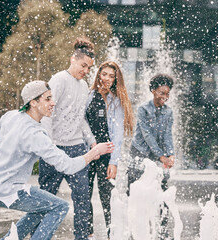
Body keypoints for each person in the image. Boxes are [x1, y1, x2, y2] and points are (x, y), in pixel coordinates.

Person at [0, 81, 114, 240]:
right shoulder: (36, 135)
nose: (53, 103)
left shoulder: (11, 116)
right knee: (60, 207)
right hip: (9, 190)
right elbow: (68, 166)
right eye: (47, 99)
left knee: (41, 208)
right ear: (33, 102)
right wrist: (94, 152)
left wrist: (12, 144)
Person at [38, 37, 97, 240]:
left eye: (89, 68)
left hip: (77, 149)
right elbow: (47, 114)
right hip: (54, 148)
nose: (86, 71)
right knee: (46, 198)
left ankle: (81, 237)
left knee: (82, 198)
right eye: (83, 65)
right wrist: (49, 146)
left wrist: (91, 141)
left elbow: (80, 119)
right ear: (73, 59)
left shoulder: (83, 86)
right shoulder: (58, 80)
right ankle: (39, 236)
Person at [85, 61, 134, 239]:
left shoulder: (116, 101)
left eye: (111, 76)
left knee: (107, 198)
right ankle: (87, 234)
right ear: (98, 75)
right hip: (88, 153)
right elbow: (81, 122)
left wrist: (114, 162)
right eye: (103, 74)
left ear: (115, 80)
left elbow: (118, 134)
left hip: (106, 155)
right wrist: (91, 144)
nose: (106, 78)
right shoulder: (89, 95)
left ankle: (111, 234)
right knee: (84, 195)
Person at [127, 74, 175, 191]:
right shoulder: (143, 109)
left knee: (161, 187)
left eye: (167, 94)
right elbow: (147, 134)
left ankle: (162, 209)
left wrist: (170, 154)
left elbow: (167, 135)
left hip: (158, 154)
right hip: (139, 151)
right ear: (153, 91)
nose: (165, 97)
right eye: (161, 93)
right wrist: (161, 156)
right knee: (135, 189)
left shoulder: (168, 112)